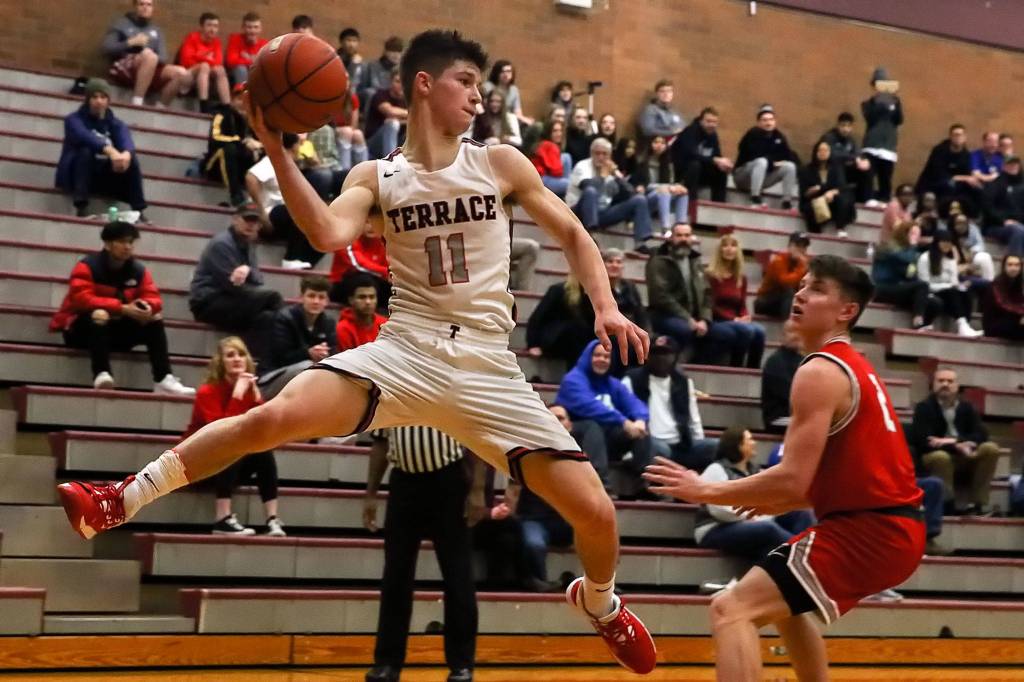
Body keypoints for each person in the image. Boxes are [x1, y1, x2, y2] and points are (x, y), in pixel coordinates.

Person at [59, 30, 656, 674]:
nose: (479, 99)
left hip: (487, 365)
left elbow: (572, 232)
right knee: (270, 417)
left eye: (481, 87)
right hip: (405, 352)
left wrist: (606, 305)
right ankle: (120, 498)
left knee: (595, 511)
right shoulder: (376, 176)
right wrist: (276, 148)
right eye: (466, 83)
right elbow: (325, 230)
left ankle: (600, 603)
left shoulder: (500, 163)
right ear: (425, 84)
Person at [644, 254, 926, 682]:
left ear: (846, 311)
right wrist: (770, 494)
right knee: (787, 607)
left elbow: (793, 479)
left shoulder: (819, 370)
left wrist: (705, 490)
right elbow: (802, 489)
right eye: (803, 285)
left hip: (870, 529)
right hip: (889, 527)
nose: (801, 294)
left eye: (816, 290)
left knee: (731, 608)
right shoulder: (856, 366)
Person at [363, 425, 481, 682]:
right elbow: (381, 443)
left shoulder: (452, 384)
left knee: (457, 575)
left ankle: (462, 664)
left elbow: (476, 434)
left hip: (448, 481)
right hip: (403, 483)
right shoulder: (390, 387)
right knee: (395, 576)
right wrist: (371, 493)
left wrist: (477, 489)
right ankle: (387, 663)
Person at [49, 220, 194, 396]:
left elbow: (153, 297)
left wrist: (147, 307)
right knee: (99, 313)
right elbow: (81, 300)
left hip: (114, 333)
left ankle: (163, 378)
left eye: (131, 242)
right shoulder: (87, 266)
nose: (127, 247)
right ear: (108, 244)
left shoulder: (138, 270)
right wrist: (122, 308)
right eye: (122, 242)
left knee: (155, 318)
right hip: (81, 331)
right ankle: (102, 373)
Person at [188, 337, 283, 536]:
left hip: (228, 466)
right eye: (230, 355)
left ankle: (272, 519)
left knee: (263, 449)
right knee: (232, 444)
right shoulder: (207, 392)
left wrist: (256, 397)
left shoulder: (249, 390)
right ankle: (222, 518)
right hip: (198, 464)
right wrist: (238, 394)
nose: (237, 359)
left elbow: (263, 429)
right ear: (220, 362)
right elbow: (220, 433)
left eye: (241, 354)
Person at [694, 427, 815, 561]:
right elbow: (719, 510)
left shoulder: (756, 471)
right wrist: (752, 515)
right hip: (714, 528)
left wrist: (760, 515)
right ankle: (805, 558)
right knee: (768, 529)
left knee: (800, 513)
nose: (754, 443)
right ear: (737, 445)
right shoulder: (716, 469)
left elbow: (770, 501)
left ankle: (799, 559)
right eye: (750, 439)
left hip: (750, 524)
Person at [555, 341, 655, 497]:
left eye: (606, 356)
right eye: (597, 355)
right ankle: (601, 483)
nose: (602, 359)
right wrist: (624, 421)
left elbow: (635, 404)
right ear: (588, 357)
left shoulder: (612, 383)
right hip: (575, 437)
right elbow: (589, 407)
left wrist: (640, 420)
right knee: (592, 425)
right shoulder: (573, 380)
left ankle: (644, 484)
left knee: (641, 431)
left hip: (605, 441)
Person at [189, 203, 283, 362]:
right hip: (208, 302)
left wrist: (248, 270)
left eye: (255, 221)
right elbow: (233, 285)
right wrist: (252, 277)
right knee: (273, 297)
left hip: (231, 299)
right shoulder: (222, 244)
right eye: (247, 220)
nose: (251, 225)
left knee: (267, 317)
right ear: (235, 220)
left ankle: (258, 363)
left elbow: (258, 279)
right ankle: (284, 351)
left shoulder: (248, 243)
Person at [55, 78, 148, 220]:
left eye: (103, 97)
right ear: (88, 100)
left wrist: (126, 155)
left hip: (103, 175)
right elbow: (84, 136)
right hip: (76, 175)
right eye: (95, 97)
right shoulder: (73, 120)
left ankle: (139, 210)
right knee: (85, 151)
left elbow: (126, 140)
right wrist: (111, 151)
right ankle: (81, 207)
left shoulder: (115, 123)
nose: (99, 101)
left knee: (131, 159)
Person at [912, 368, 1001, 515]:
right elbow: (923, 442)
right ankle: (948, 505)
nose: (945, 384)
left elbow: (982, 434)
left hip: (964, 456)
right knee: (940, 457)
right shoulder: (924, 408)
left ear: (957, 386)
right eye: (941, 381)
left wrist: (954, 440)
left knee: (990, 448)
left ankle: (977, 504)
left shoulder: (967, 407)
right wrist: (956, 446)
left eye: (950, 381)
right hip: (937, 457)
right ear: (933, 384)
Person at [623, 335, 718, 472]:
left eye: (666, 354)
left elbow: (694, 419)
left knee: (716, 447)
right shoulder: (632, 379)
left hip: (681, 446)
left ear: (675, 356)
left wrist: (699, 442)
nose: (661, 358)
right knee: (661, 450)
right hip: (649, 443)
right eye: (656, 353)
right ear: (647, 355)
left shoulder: (684, 382)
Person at [646, 222, 727, 362]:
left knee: (726, 335)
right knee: (685, 330)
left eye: (687, 235)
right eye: (679, 235)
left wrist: (704, 319)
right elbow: (660, 296)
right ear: (671, 238)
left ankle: (701, 365)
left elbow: (707, 293)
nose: (683, 239)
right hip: (664, 315)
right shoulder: (658, 259)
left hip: (694, 318)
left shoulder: (695, 260)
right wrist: (687, 319)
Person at [246, 133, 324, 269]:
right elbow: (251, 178)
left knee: (325, 220)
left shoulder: (293, 163)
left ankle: (307, 262)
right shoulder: (274, 161)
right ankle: (291, 258)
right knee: (301, 209)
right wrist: (261, 213)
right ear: (294, 146)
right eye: (300, 143)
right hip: (270, 216)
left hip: (288, 218)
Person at [565, 137, 655, 253]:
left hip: (601, 214)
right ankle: (590, 235)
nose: (601, 157)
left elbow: (630, 193)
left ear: (610, 156)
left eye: (605, 154)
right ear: (591, 154)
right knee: (591, 192)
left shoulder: (610, 169)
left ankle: (640, 243)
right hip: (577, 211)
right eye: (597, 153)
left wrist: (618, 177)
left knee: (639, 200)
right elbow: (587, 187)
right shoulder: (582, 166)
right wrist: (602, 176)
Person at [258, 275, 338, 399]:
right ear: (301, 298)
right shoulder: (284, 318)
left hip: (307, 376)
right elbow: (282, 357)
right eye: (311, 296)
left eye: (321, 297)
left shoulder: (328, 322)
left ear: (327, 301)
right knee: (306, 366)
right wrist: (308, 353)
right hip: (271, 378)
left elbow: (333, 352)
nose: (316, 301)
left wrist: (325, 355)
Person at [102, 0, 187, 107]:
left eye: (149, 5)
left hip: (150, 66)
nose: (145, 7)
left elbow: (163, 57)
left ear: (152, 8)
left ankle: (160, 108)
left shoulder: (156, 30)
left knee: (181, 72)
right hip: (124, 66)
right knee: (149, 56)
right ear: (135, 7)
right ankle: (137, 103)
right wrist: (130, 43)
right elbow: (107, 48)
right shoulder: (121, 24)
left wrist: (148, 56)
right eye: (141, 4)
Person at [705, 233, 765, 368]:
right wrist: (733, 319)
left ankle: (752, 369)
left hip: (735, 320)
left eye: (733, 246)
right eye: (725, 245)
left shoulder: (741, 278)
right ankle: (735, 367)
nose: (729, 249)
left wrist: (744, 316)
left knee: (760, 331)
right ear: (719, 250)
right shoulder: (711, 275)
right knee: (746, 330)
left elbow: (742, 304)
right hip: (716, 320)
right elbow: (710, 304)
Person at [203, 83, 261, 207]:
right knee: (229, 150)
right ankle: (235, 195)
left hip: (240, 165)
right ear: (232, 99)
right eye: (239, 99)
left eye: (246, 101)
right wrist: (242, 142)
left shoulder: (254, 120)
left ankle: (260, 196)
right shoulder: (222, 114)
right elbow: (215, 137)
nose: (242, 104)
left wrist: (259, 145)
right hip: (216, 164)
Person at [916, 230, 983, 337]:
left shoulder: (950, 261)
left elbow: (954, 282)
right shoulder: (925, 258)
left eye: (949, 242)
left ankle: (965, 325)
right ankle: (962, 324)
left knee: (966, 293)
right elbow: (925, 284)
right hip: (931, 292)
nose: (947, 245)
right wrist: (948, 286)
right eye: (944, 242)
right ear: (937, 242)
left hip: (949, 293)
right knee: (952, 292)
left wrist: (960, 286)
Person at [733, 104, 798, 209]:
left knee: (790, 167)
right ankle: (755, 199)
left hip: (763, 177)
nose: (768, 123)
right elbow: (755, 156)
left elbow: (789, 157)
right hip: (742, 176)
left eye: (771, 120)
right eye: (765, 120)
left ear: (775, 121)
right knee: (761, 162)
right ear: (758, 123)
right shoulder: (753, 134)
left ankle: (787, 202)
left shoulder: (779, 136)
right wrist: (774, 162)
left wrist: (775, 162)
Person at [871, 220, 932, 329]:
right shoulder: (888, 247)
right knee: (922, 285)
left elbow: (909, 273)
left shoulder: (909, 251)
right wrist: (913, 245)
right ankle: (918, 320)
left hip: (898, 287)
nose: (916, 238)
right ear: (904, 233)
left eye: (918, 235)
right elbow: (903, 258)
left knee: (934, 302)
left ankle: (921, 327)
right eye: (913, 234)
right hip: (882, 288)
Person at [527, 275, 595, 369]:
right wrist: (533, 344)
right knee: (576, 329)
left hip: (580, 340)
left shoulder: (594, 295)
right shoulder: (558, 290)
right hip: (556, 338)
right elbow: (537, 318)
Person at [631, 135, 689, 238]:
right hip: (647, 198)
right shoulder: (641, 161)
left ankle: (681, 226)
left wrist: (676, 187)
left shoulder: (668, 163)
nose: (659, 145)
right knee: (664, 191)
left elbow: (670, 183)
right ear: (650, 144)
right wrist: (663, 187)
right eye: (656, 142)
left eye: (662, 143)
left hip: (664, 194)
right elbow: (642, 186)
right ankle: (665, 228)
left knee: (683, 193)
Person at [915, 124, 981, 215]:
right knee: (947, 186)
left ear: (965, 137)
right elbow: (938, 174)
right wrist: (962, 178)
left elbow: (968, 173)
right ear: (950, 137)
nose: (958, 138)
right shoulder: (939, 151)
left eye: (960, 135)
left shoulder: (966, 155)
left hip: (955, 187)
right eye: (955, 135)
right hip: (933, 184)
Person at [671, 106, 732, 203]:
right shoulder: (690, 131)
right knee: (695, 164)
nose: (712, 125)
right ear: (701, 121)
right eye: (708, 121)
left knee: (721, 170)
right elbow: (690, 154)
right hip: (683, 172)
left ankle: (719, 204)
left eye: (714, 122)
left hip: (701, 173)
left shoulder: (713, 135)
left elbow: (717, 155)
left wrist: (724, 163)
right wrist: (715, 160)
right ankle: (692, 202)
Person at [861, 67, 903, 205]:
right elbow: (870, 118)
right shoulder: (868, 103)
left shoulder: (895, 102)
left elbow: (899, 120)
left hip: (888, 144)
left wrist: (894, 103)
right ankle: (868, 197)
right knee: (868, 173)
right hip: (872, 143)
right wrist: (880, 102)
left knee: (885, 175)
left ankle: (884, 198)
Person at [798, 141, 856, 237]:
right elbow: (804, 194)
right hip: (814, 200)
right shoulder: (807, 170)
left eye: (826, 150)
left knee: (845, 197)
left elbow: (841, 186)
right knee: (812, 207)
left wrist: (832, 192)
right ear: (815, 152)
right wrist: (813, 191)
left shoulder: (836, 168)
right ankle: (815, 233)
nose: (823, 152)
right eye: (820, 150)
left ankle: (840, 227)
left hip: (831, 201)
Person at [177, 12, 230, 114]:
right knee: (204, 67)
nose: (212, 29)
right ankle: (204, 106)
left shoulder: (216, 42)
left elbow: (218, 62)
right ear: (201, 27)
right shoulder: (192, 38)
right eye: (209, 25)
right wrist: (207, 60)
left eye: (215, 26)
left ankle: (227, 108)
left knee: (220, 70)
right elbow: (186, 61)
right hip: (188, 76)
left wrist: (200, 58)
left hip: (207, 77)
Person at [328, 224, 390, 307]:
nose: (371, 226)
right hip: (341, 285)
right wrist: (387, 272)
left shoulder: (383, 242)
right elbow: (358, 264)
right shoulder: (346, 238)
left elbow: (389, 266)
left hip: (374, 283)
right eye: (367, 222)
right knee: (365, 279)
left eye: (373, 221)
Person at [819, 112, 873, 205]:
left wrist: (862, 160)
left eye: (848, 126)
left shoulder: (850, 140)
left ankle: (865, 199)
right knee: (838, 164)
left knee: (866, 167)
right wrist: (853, 158)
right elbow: (833, 155)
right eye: (843, 125)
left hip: (846, 171)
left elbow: (857, 153)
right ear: (838, 125)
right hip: (830, 170)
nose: (846, 129)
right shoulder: (829, 137)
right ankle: (842, 196)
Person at [753, 231, 810, 319]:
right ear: (790, 246)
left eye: (804, 247)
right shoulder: (779, 260)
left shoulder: (804, 264)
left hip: (784, 303)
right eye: (798, 246)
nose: (801, 250)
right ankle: (789, 327)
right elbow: (785, 282)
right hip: (765, 301)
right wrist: (802, 267)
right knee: (789, 292)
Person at [760, 320, 802, 434]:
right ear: (782, 336)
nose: (796, 335)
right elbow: (789, 395)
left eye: (800, 332)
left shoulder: (802, 359)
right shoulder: (775, 362)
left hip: (795, 415)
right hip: (778, 418)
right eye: (792, 332)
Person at [981, 155, 1024, 256]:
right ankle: (1014, 263)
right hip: (996, 226)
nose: (1014, 166)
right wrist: (1003, 221)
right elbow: (987, 207)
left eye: (1016, 164)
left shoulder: (1022, 185)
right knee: (1018, 231)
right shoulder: (994, 185)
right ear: (1004, 166)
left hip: (1019, 223)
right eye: (1010, 164)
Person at [336, 275, 388, 351]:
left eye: (372, 297)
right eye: (362, 297)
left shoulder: (385, 324)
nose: (368, 302)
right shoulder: (343, 329)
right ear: (351, 300)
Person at [365, 69, 408, 160]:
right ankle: (390, 162)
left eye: (404, 82)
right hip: (375, 143)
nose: (401, 85)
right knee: (392, 123)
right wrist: (410, 115)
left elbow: (418, 118)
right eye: (397, 81)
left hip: (399, 142)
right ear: (391, 81)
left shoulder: (409, 100)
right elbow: (390, 111)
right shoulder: (381, 94)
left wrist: (402, 120)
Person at [982, 254, 1024, 340]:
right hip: (994, 325)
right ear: (1004, 267)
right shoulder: (996, 284)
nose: (1013, 268)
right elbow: (1004, 305)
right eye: (1010, 265)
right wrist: (1021, 315)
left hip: (1014, 323)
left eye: (1017, 265)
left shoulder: (1019, 284)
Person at [483, 59, 532, 128]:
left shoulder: (514, 90)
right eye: (502, 72)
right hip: (489, 119)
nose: (506, 74)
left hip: (508, 121)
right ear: (497, 73)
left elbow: (517, 112)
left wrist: (525, 120)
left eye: (508, 71)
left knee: (534, 126)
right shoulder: (488, 87)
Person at [360, 36, 405, 108]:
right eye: (393, 51)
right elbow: (374, 85)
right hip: (378, 97)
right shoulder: (374, 65)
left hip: (396, 95)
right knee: (370, 92)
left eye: (399, 52)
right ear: (386, 52)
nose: (396, 55)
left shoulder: (403, 68)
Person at [531, 119, 572, 198]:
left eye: (560, 131)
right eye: (555, 131)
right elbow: (556, 171)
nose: (559, 134)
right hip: (541, 180)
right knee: (572, 185)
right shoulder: (549, 145)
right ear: (548, 132)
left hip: (541, 179)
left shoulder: (543, 144)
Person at [225, 12, 266, 85]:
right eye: (249, 27)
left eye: (256, 27)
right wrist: (252, 61)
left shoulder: (264, 44)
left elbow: (265, 64)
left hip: (256, 73)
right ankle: (243, 94)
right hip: (237, 73)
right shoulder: (235, 39)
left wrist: (247, 60)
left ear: (260, 29)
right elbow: (231, 61)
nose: (252, 31)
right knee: (241, 68)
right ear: (243, 28)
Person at [336, 27, 365, 93]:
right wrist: (353, 65)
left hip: (353, 94)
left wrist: (355, 64)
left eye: (354, 41)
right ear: (341, 42)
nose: (351, 45)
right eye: (348, 40)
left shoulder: (360, 62)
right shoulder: (334, 59)